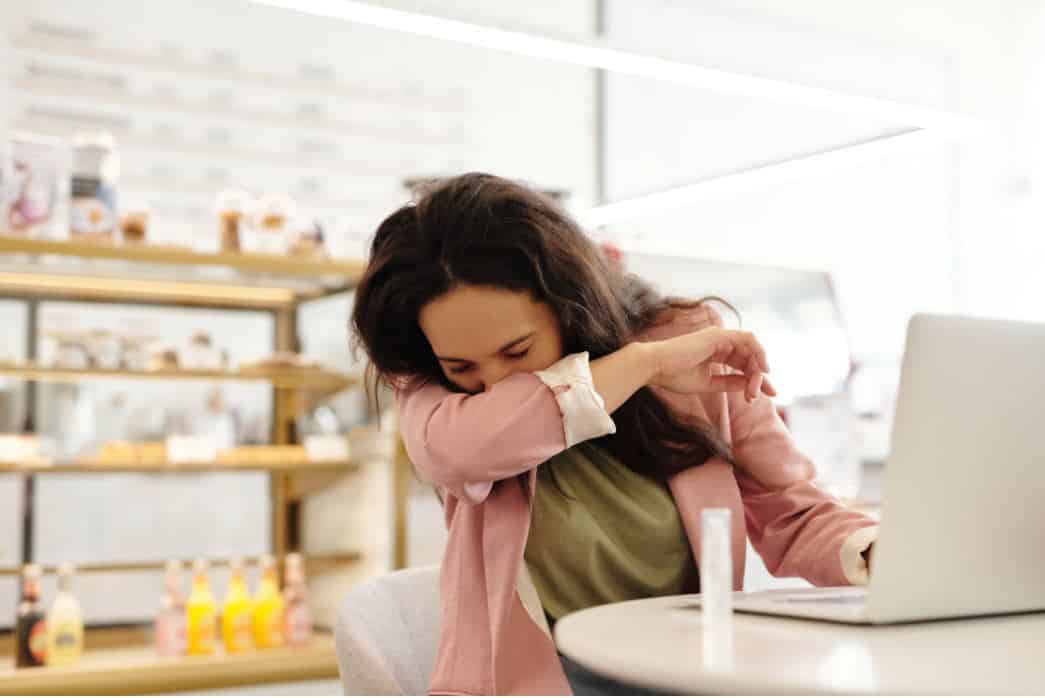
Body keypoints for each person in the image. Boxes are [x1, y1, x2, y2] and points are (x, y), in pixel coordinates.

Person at [351, 173, 878, 695]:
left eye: (517, 352)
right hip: (542, 681)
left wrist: (878, 553)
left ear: (569, 307)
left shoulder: (683, 339)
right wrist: (643, 365)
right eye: (463, 367)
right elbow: (463, 452)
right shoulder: (428, 385)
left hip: (688, 672)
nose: (494, 385)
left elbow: (792, 509)